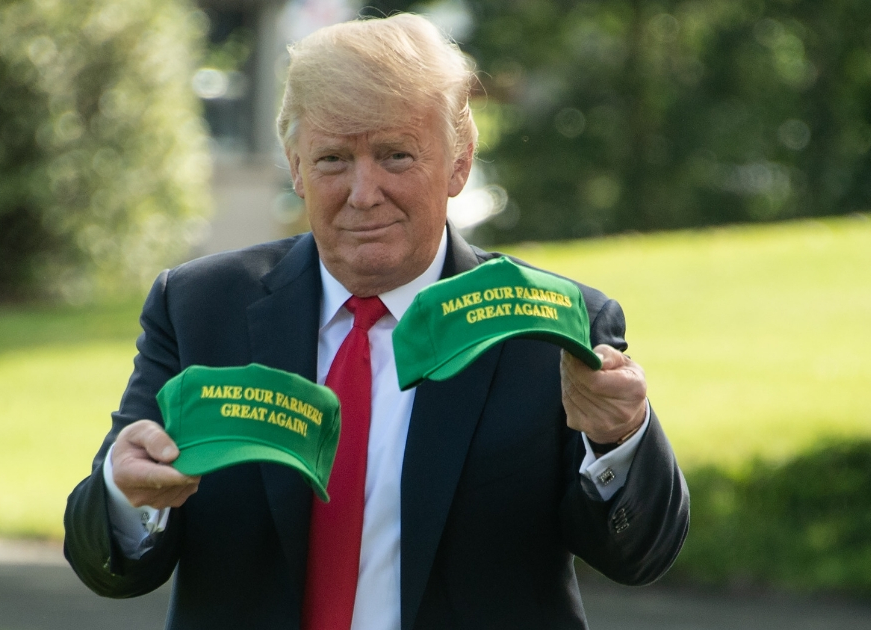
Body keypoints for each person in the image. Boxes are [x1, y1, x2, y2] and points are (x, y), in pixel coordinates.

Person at [64, 13, 689, 630]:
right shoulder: (200, 307)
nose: (364, 192)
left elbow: (640, 556)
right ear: (296, 165)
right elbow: (110, 564)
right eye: (334, 158)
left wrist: (620, 437)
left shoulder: (547, 327)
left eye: (396, 155)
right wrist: (124, 495)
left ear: (459, 161)